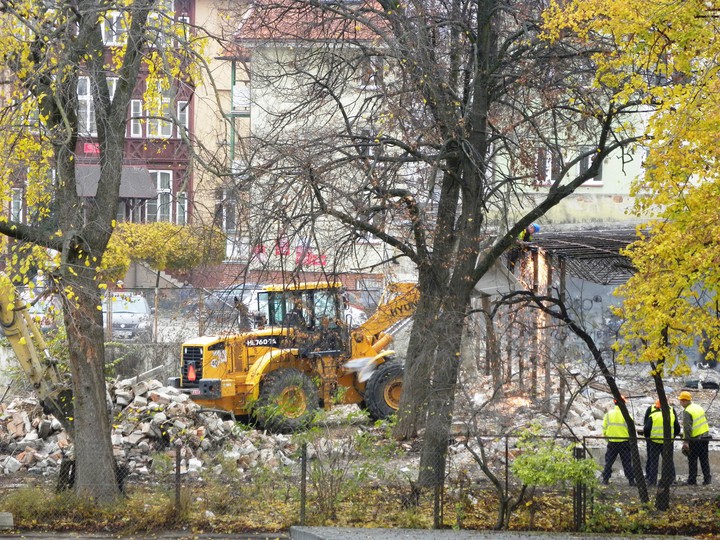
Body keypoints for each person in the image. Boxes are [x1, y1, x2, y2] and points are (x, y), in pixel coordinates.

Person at [643, 399, 681, 486]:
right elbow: (677, 428)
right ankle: (671, 479)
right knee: (668, 461)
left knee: (653, 462)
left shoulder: (653, 415)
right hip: (667, 442)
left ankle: (652, 481)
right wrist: (672, 436)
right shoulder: (670, 415)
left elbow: (646, 428)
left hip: (654, 442)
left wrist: (648, 437)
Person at [678, 390, 712, 485]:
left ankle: (692, 480)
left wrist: (686, 442)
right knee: (704, 460)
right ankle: (707, 479)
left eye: (680, 400)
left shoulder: (687, 411)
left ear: (684, 401)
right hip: (705, 437)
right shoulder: (698, 407)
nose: (680, 402)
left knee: (692, 460)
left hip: (695, 439)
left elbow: (687, 428)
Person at [601, 397, 635, 485]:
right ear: (623, 403)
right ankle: (631, 480)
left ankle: (605, 479)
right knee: (627, 462)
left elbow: (604, 429)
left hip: (612, 442)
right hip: (624, 442)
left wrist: (607, 439)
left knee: (609, 461)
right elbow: (631, 429)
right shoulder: (627, 415)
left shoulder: (609, 414)